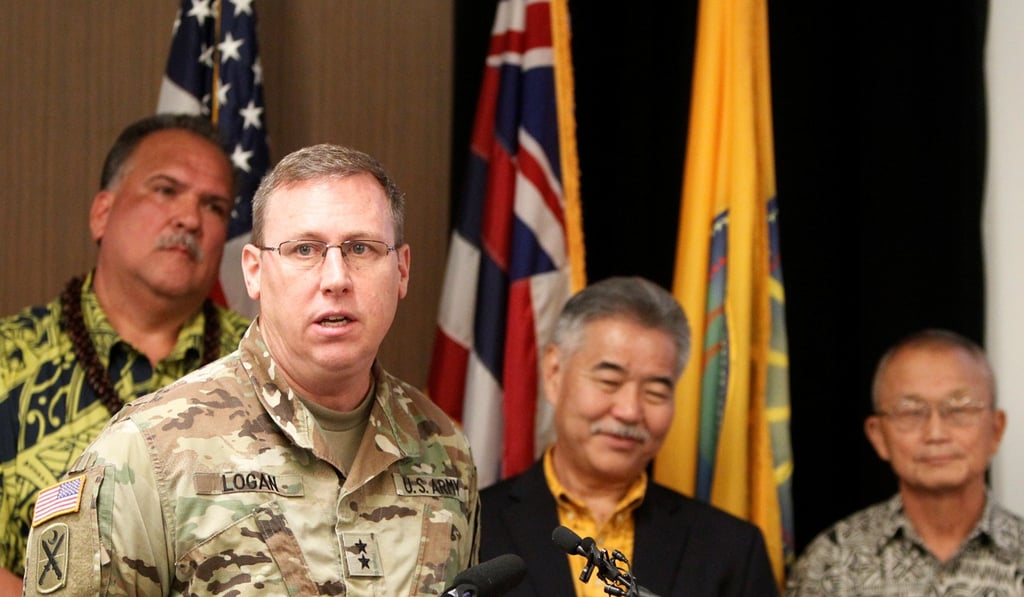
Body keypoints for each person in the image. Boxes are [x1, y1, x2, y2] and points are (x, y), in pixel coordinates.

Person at [22, 143, 479, 596]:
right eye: (305, 249)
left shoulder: (444, 449)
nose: (336, 278)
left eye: (361, 248)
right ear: (254, 272)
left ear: (401, 270)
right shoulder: (148, 453)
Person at [0, 114, 251, 594]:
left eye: (214, 206)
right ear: (102, 213)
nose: (190, 219)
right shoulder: (9, 361)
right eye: (165, 190)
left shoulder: (269, 367)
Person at [479, 276, 778, 597]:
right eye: (609, 381)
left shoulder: (730, 548)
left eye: (655, 391)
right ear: (554, 373)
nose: (629, 411)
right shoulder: (473, 526)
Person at [786, 329, 1023, 595]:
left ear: (996, 429)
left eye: (959, 409)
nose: (936, 433)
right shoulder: (832, 562)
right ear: (878, 436)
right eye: (911, 412)